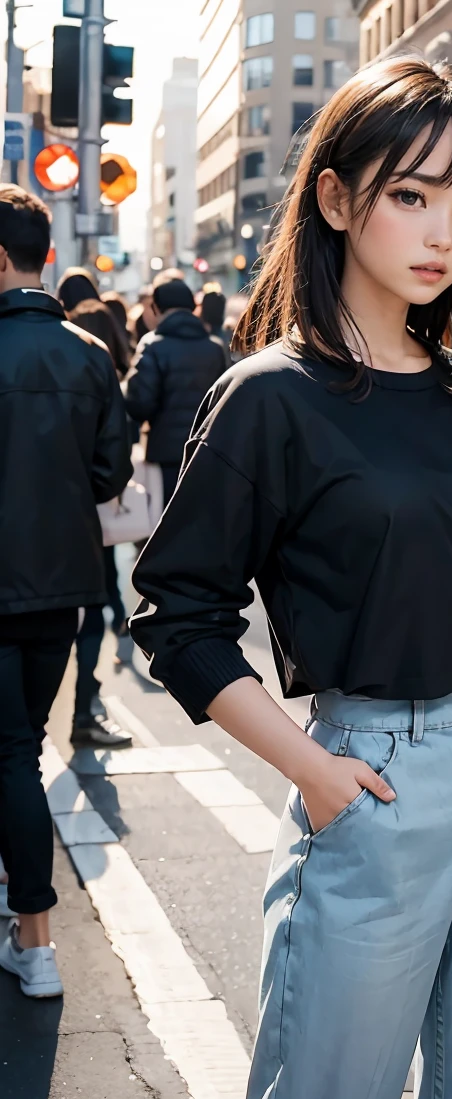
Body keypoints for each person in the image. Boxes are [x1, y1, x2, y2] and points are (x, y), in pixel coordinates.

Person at [129, 58, 452, 1099]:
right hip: (383, 780)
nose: (446, 235)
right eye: (412, 196)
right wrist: (310, 768)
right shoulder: (271, 398)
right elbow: (176, 612)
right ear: (337, 199)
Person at [0, 185, 131, 996]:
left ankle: (36, 939)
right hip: (60, 586)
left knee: (11, 752)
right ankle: (31, 934)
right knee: (19, 743)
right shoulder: (88, 354)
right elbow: (110, 473)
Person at [66, 300, 134, 746]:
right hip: (83, 523)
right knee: (94, 605)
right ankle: (83, 708)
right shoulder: (91, 358)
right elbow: (113, 465)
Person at [124, 277, 230, 505]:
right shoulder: (214, 347)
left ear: (157, 308)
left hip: (165, 454)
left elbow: (139, 403)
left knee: (166, 523)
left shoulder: (152, 345)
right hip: (208, 450)